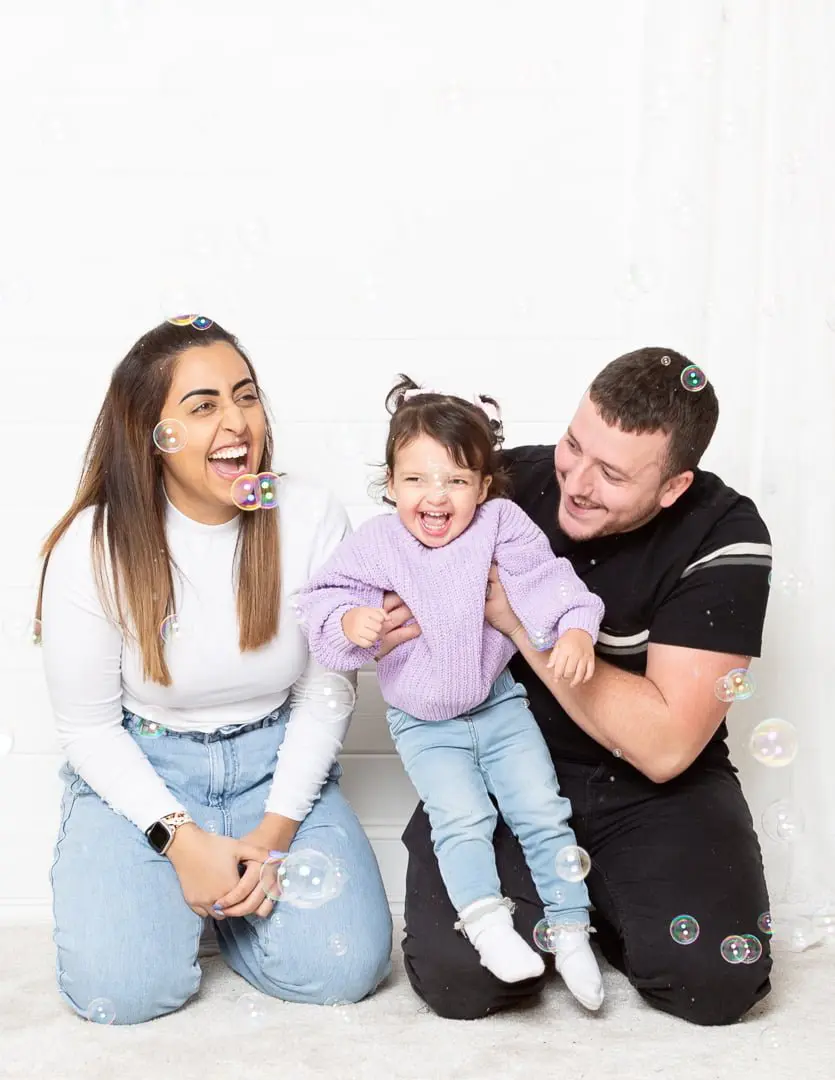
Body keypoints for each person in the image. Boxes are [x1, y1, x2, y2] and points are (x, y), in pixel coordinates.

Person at [377, 347, 774, 1026]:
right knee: (459, 980)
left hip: (656, 791)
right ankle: (567, 908)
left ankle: (603, 914)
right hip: (504, 760)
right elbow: (406, 530)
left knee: (710, 982)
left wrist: (510, 615)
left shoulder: (725, 535)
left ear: (673, 486)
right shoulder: (503, 485)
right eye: (572, 445)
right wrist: (385, 620)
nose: (577, 482)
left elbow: (666, 745)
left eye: (613, 474)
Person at [36, 318, 392, 1026]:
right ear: (150, 433)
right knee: (126, 993)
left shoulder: (310, 515)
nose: (237, 423)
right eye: (202, 407)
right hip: (145, 766)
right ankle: (186, 889)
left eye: (246, 396)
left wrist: (272, 836)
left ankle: (223, 900)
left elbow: (323, 694)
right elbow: (88, 725)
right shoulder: (93, 544)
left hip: (276, 761)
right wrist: (179, 840)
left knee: (342, 971)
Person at [295, 375, 607, 1012]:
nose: (436, 497)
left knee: (541, 810)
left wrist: (574, 628)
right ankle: (486, 923)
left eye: (457, 481)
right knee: (463, 819)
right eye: (416, 480)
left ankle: (571, 927)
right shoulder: (379, 544)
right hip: (424, 723)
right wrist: (350, 622)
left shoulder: (500, 526)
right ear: (390, 484)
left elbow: (547, 579)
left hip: (499, 705)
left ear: (484, 488)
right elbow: (323, 601)